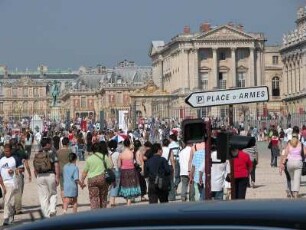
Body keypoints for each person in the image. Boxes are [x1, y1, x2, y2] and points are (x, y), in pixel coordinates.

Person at [80, 142, 112, 209]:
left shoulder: (89, 159)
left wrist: (82, 181)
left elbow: (85, 172)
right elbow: (110, 167)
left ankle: (95, 214)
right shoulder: (104, 157)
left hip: (92, 179)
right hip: (103, 178)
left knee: (94, 198)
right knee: (103, 197)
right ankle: (103, 212)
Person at [34, 137, 59, 217]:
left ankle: (46, 216)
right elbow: (56, 165)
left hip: (40, 176)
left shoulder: (38, 153)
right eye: (50, 143)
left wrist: (37, 176)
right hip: (50, 175)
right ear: (47, 144)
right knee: (53, 194)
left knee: (43, 197)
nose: (51, 144)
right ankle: (52, 210)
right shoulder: (52, 153)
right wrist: (57, 176)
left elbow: (35, 167)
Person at [280, 126, 306, 199]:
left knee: (292, 179)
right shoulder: (301, 144)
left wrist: (282, 163)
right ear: (298, 136)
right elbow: (305, 153)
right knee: (297, 178)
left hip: (289, 163)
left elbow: (285, 154)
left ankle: (291, 192)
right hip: (298, 162)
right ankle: (295, 193)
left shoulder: (289, 143)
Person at [0, 144, 22, 226]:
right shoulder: (1, 159)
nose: (7, 152)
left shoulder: (15, 158)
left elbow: (21, 169)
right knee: (7, 202)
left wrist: (13, 170)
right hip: (3, 183)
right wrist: (2, 185)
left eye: (8, 151)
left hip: (12, 182)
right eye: (5, 151)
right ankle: (12, 214)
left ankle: (5, 219)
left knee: (7, 201)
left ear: (10, 151)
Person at [118, 138, 141, 205]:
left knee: (125, 185)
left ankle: (127, 200)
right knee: (131, 185)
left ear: (124, 144)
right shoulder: (132, 153)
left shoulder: (121, 154)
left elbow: (119, 165)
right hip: (132, 170)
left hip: (124, 171)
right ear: (129, 144)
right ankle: (129, 202)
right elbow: (138, 162)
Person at [57, 137, 71, 204]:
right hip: (68, 171)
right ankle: (69, 201)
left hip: (60, 170)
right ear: (68, 143)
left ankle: (64, 202)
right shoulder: (70, 151)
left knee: (62, 187)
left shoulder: (58, 152)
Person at [108, 139, 120, 207]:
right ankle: (112, 201)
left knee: (108, 186)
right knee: (115, 186)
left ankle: (108, 199)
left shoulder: (107, 153)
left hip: (108, 171)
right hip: (116, 170)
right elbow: (119, 165)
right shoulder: (118, 154)